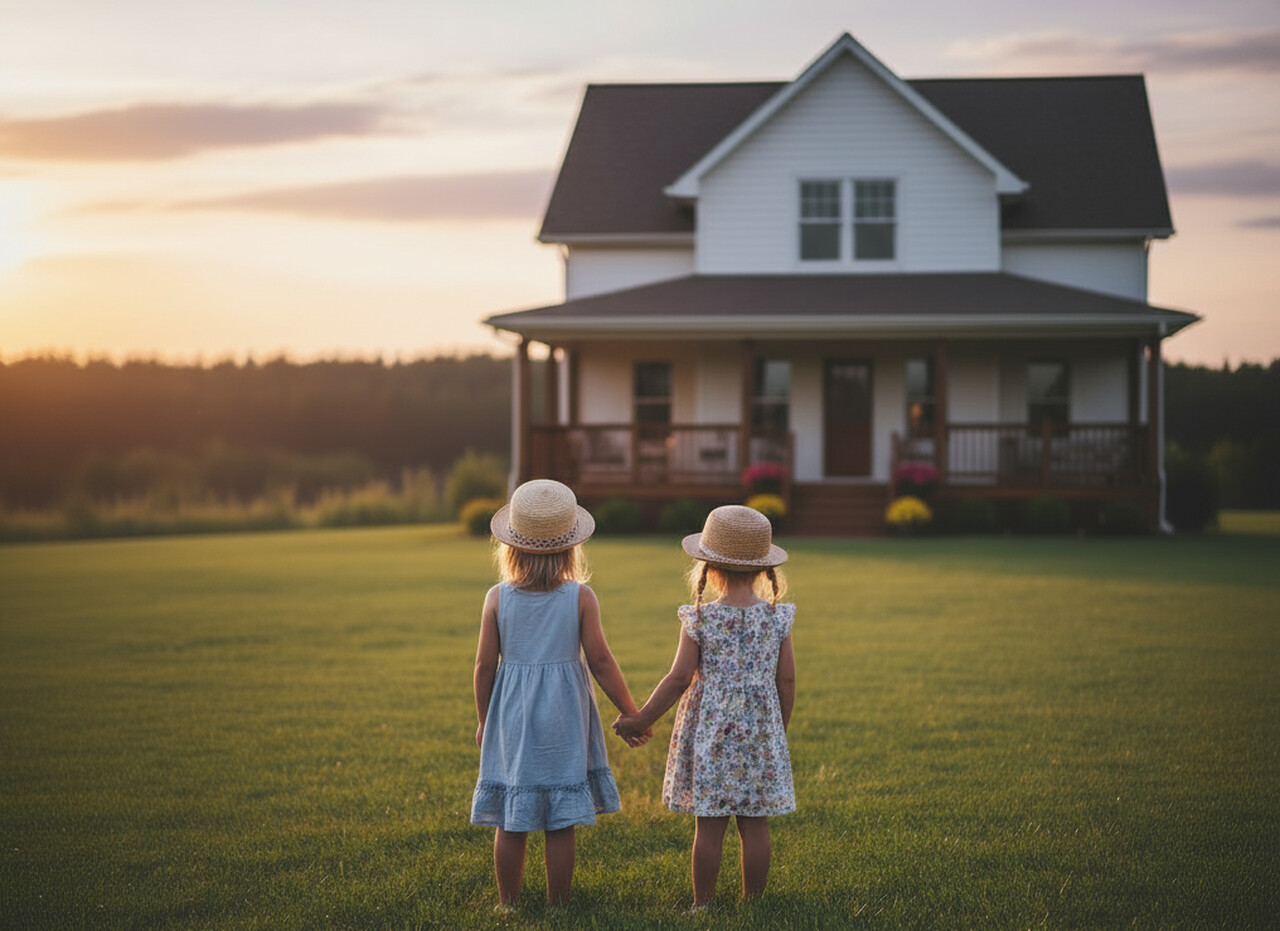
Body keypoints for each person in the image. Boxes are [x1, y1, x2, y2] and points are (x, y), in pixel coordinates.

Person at [470, 479, 649, 909]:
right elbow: (602, 661)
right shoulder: (580, 597)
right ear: (571, 547)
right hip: (564, 716)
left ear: (511, 546)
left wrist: (483, 721)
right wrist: (632, 711)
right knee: (560, 821)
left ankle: (507, 904)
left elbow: (482, 666)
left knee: (512, 819)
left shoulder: (497, 599)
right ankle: (559, 903)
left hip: (512, 715)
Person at [613, 504, 796, 910]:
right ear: (764, 569)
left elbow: (679, 679)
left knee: (709, 826)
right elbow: (786, 680)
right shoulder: (777, 618)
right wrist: (776, 728)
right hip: (761, 733)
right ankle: (754, 903)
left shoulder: (701, 619)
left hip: (712, 736)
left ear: (709, 568)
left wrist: (642, 717)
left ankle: (703, 904)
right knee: (755, 823)